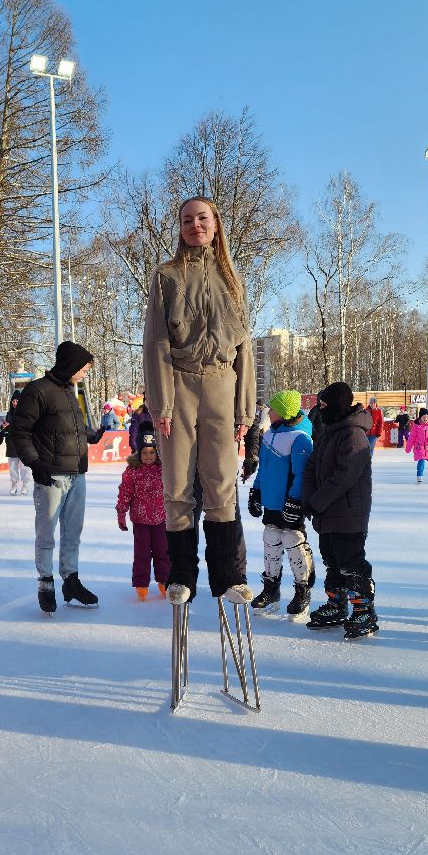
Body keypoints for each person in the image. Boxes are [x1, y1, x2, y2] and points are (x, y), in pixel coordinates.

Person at [143, 196, 256, 606]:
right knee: (177, 485)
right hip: (180, 383)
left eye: (202, 218)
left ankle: (228, 577)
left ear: (216, 223)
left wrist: (244, 410)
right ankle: (182, 576)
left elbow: (245, 348)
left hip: (223, 386)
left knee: (222, 485)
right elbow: (156, 343)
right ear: (180, 228)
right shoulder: (166, 275)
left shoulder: (233, 278)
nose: (195, 225)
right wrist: (163, 405)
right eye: (187, 220)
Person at [11, 341, 105, 612]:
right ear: (71, 364)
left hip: (78, 473)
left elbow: (68, 426)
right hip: (51, 475)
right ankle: (45, 582)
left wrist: (90, 435)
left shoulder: (68, 390)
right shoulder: (37, 390)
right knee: (47, 534)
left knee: (73, 532)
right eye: (84, 367)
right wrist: (34, 463)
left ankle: (70, 579)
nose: (86, 371)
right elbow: (20, 431)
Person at [302, 381, 378, 640]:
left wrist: (317, 501)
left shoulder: (353, 435)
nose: (320, 410)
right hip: (328, 513)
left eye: (324, 405)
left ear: (337, 406)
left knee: (350, 562)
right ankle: (337, 603)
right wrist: (309, 497)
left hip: (348, 513)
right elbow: (311, 467)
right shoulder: (330, 432)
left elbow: (345, 476)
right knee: (332, 560)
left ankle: (364, 607)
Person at [247, 390, 315, 616]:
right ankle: (271, 589)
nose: (270, 412)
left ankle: (302, 590)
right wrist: (256, 492)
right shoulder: (269, 435)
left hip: (289, 503)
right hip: (271, 502)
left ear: (284, 413)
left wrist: (295, 501)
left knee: (292, 540)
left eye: (273, 409)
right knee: (271, 539)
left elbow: (302, 474)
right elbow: (263, 468)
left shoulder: (300, 438)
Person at [116, 421, 170, 600]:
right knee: (142, 554)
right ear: (138, 453)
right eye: (144, 453)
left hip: (161, 518)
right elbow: (125, 493)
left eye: (152, 452)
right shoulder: (132, 471)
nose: (148, 456)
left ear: (157, 452)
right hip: (140, 520)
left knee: (163, 552)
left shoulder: (163, 469)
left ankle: (165, 581)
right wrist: (121, 513)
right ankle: (141, 583)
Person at [0, 390, 31, 496]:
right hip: (12, 444)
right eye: (13, 401)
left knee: (25, 467)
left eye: (17, 401)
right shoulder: (9, 414)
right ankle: (14, 485)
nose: (15, 403)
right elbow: (6, 427)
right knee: (12, 467)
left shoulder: (27, 413)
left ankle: (25, 485)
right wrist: (3, 427)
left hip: (24, 443)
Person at [405, 409, 428, 483]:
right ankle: (419, 476)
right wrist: (408, 448)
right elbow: (412, 438)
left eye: (427, 417)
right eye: (423, 417)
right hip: (419, 448)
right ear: (420, 418)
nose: (425, 419)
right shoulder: (416, 426)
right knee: (421, 462)